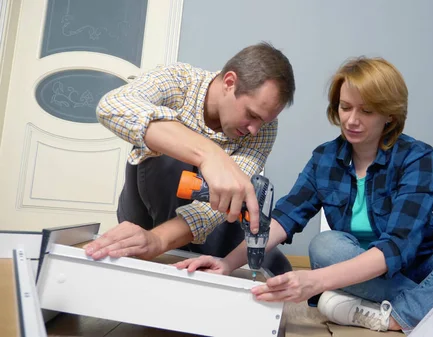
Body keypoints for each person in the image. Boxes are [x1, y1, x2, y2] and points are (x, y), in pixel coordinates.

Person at [174, 56, 433, 336]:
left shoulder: (416, 156)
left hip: (430, 267)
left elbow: (398, 247)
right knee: (326, 246)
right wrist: (227, 263)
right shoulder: (325, 158)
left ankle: (404, 314)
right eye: (346, 107)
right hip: (366, 274)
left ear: (390, 115)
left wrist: (314, 283)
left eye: (367, 110)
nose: (352, 120)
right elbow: (284, 218)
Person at [83, 42, 295, 276]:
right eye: (252, 115)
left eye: (263, 121)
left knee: (275, 264)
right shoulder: (177, 80)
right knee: (170, 153)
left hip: (207, 223)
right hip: (147, 212)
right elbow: (111, 106)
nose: (255, 129)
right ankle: (160, 248)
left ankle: (176, 250)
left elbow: (215, 209)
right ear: (229, 83)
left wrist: (158, 241)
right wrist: (210, 155)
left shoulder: (263, 130)